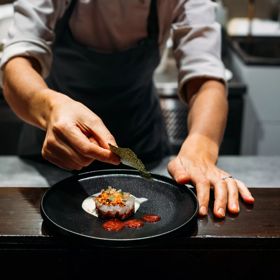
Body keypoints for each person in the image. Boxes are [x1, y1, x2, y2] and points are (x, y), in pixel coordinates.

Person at [0, 0, 254, 218]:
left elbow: (206, 77)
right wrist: (51, 107)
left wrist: (203, 144)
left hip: (142, 151)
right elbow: (17, 62)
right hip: (53, 148)